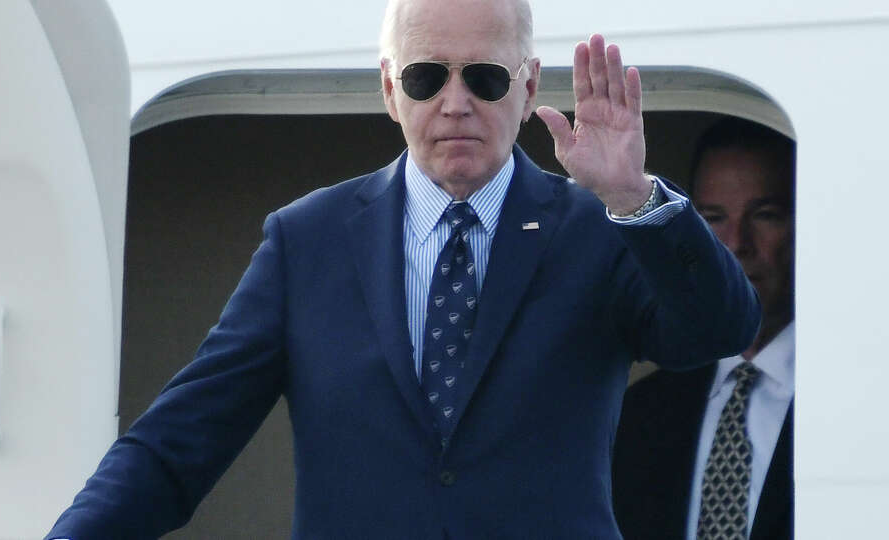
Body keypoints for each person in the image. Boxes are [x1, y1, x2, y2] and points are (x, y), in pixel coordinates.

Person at [47, 0, 759, 538]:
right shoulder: (308, 241)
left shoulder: (597, 228)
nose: (455, 103)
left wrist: (632, 198)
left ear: (528, 82)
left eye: (484, 77)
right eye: (425, 77)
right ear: (390, 89)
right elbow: (178, 443)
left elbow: (718, 330)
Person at [612, 117, 795, 540]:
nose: (735, 243)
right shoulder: (637, 414)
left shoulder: (860, 404)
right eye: (713, 218)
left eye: (765, 215)